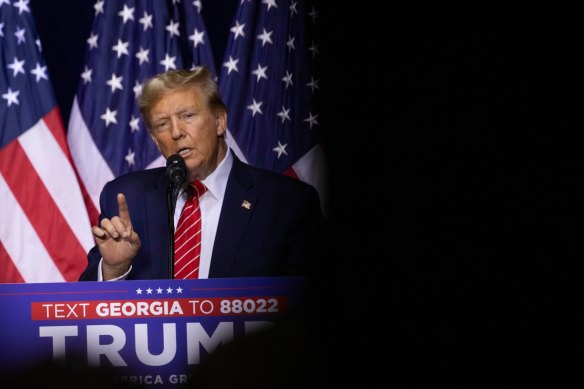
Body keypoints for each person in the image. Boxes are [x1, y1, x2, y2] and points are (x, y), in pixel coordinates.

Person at [78, 66, 325, 281]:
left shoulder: (287, 202)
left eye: (188, 116)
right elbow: (85, 308)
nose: (176, 132)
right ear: (155, 139)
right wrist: (113, 269)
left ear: (219, 120)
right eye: (162, 124)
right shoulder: (126, 198)